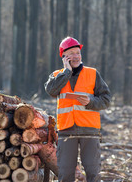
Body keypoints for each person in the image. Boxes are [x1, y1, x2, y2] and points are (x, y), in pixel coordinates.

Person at [44, 36, 111, 182]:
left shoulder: (93, 73)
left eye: (77, 53)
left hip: (89, 130)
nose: (76, 56)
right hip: (66, 131)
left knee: (93, 174)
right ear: (64, 57)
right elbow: (51, 91)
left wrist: (91, 101)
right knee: (65, 175)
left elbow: (106, 100)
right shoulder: (56, 76)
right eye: (71, 53)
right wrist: (66, 73)